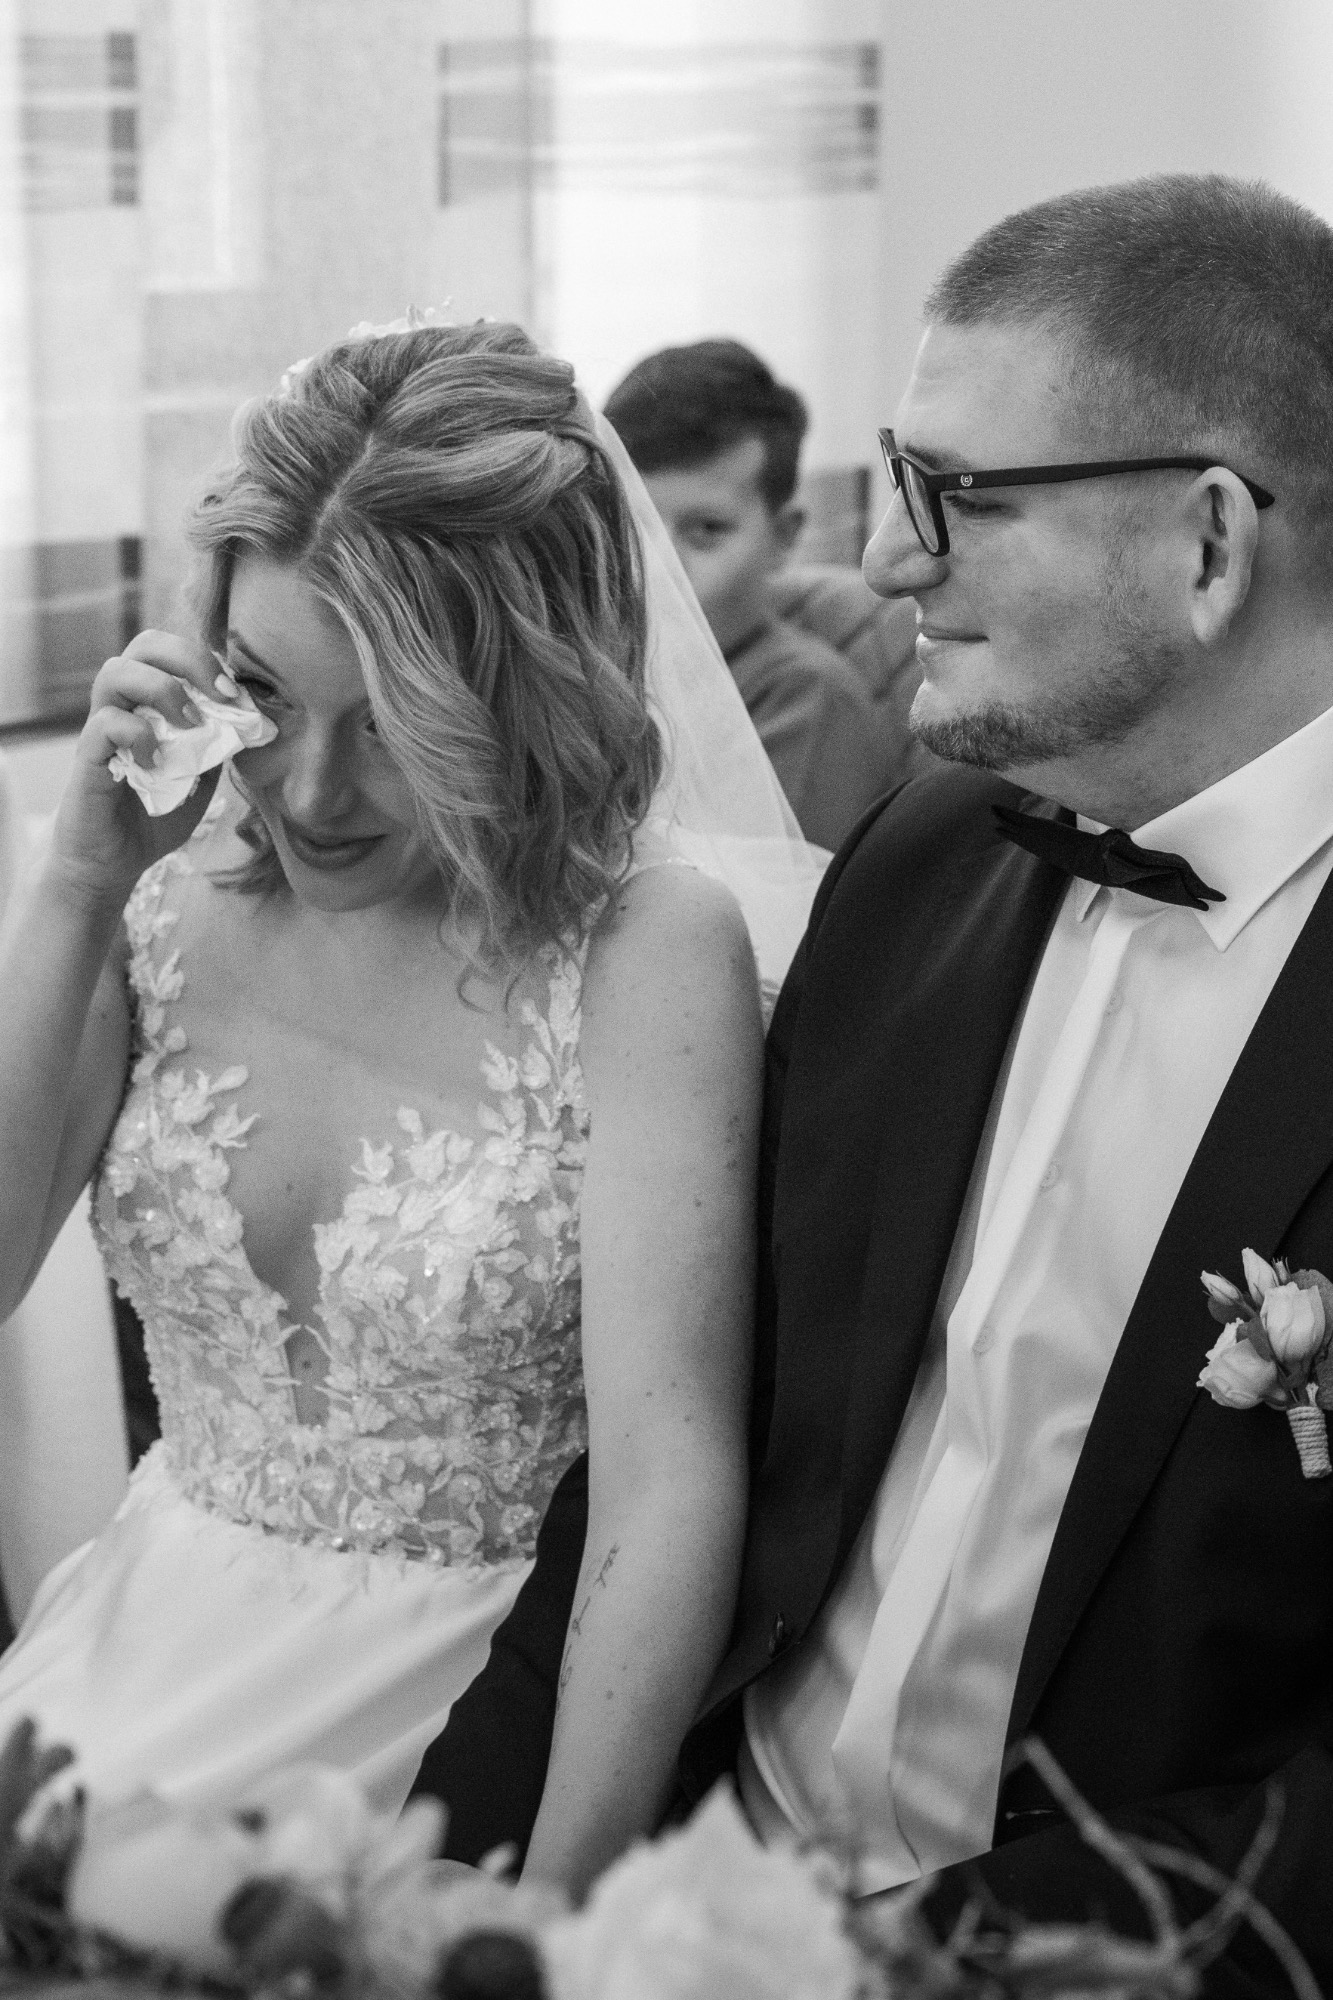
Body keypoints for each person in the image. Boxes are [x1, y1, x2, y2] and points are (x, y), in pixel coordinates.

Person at [418, 175, 1333, 1990]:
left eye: (956, 496)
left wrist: (931, 1956)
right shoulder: (919, 861)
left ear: (1209, 543)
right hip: (690, 1873)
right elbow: (683, 1449)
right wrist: (453, 1873)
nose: (891, 562)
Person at [0, 315, 784, 1899]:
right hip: (134, 1662)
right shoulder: (150, 900)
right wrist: (76, 884)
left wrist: (553, 1910)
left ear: (520, 695)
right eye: (265, 696)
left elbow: (667, 1485)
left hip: (467, 1717)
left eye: (394, 729)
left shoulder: (643, 950)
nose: (307, 794)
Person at [604, 340, 886, 850]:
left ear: (783, 538)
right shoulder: (591, 669)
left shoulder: (806, 698)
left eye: (706, 530)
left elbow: (767, 899)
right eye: (634, 526)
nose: (656, 567)